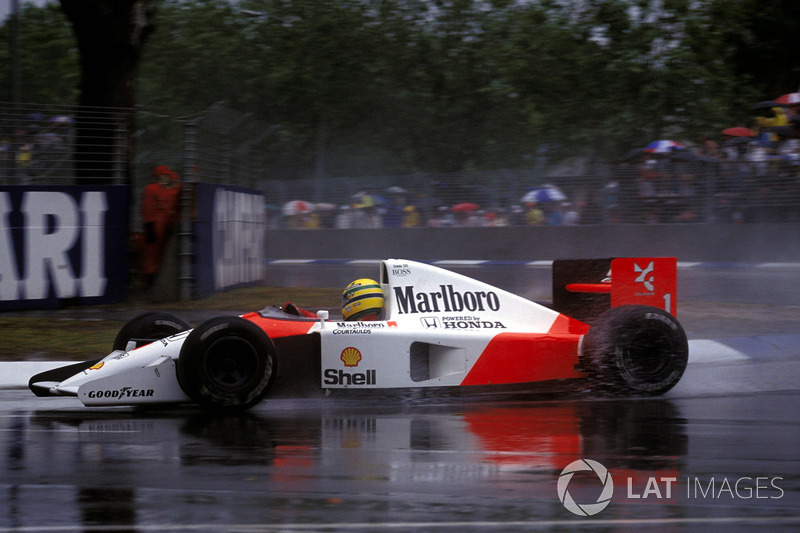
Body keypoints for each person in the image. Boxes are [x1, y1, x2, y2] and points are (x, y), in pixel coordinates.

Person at [283, 278, 385, 321]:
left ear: (357, 302)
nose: (344, 305)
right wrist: (303, 314)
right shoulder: (369, 324)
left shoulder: (362, 329)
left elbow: (328, 326)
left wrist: (303, 314)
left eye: (347, 300)